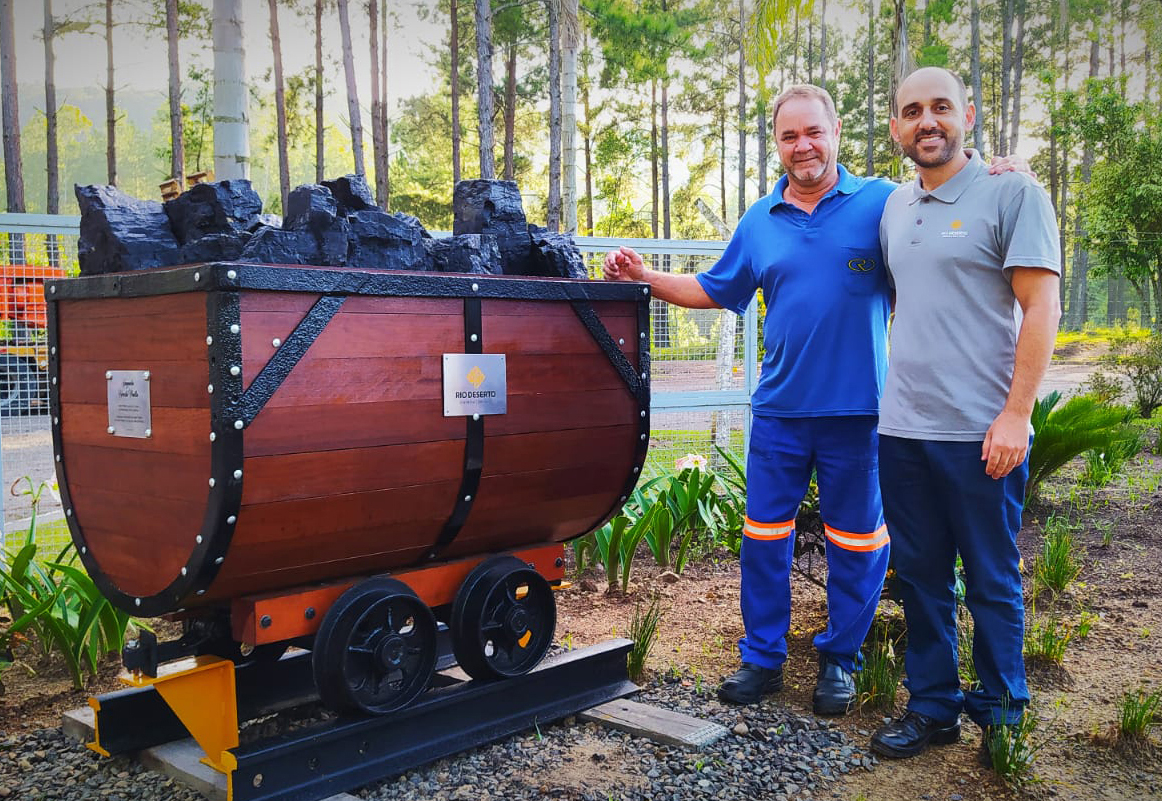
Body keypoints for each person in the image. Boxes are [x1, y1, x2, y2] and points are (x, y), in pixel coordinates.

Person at [604, 84, 894, 716]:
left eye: (812, 132)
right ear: (778, 143)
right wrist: (644, 278)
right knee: (764, 538)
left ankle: (840, 660)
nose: (803, 146)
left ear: (836, 130)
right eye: (789, 136)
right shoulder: (760, 221)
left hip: (859, 414)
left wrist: (994, 173)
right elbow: (714, 288)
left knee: (858, 543)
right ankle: (761, 658)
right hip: (781, 414)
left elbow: (943, 221)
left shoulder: (883, 205)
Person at [869, 67, 1061, 760]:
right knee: (920, 577)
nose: (927, 121)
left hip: (983, 433)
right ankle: (933, 708)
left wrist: (1016, 414)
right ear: (894, 127)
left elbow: (1042, 306)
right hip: (903, 432)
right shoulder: (891, 206)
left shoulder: (1013, 192)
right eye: (912, 110)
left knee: (990, 579)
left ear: (969, 115)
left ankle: (1004, 715)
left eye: (941, 107)